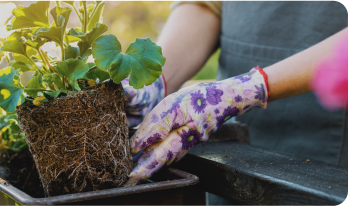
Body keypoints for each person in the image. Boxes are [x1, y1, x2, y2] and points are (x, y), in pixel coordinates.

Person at [121, 0, 348, 190]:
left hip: (326, 151)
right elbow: (207, 5)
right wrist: (154, 80)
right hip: (226, 149)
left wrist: (246, 90)